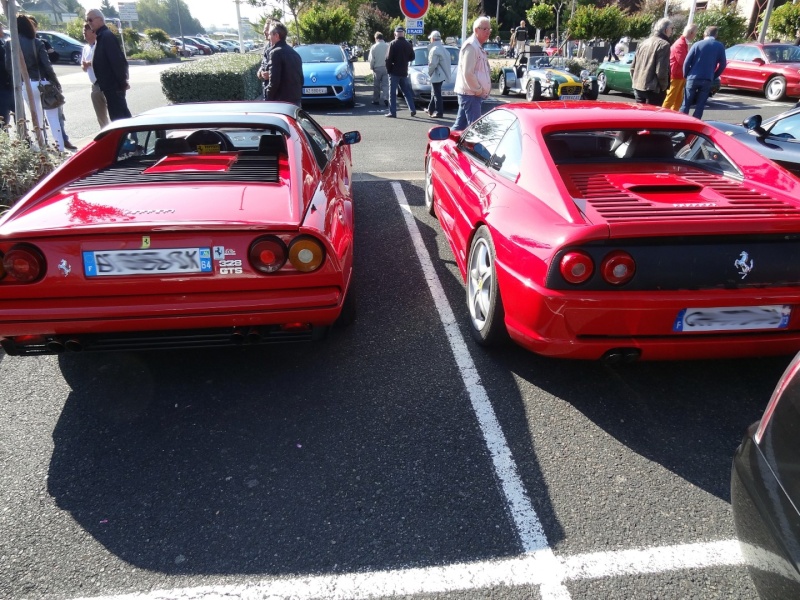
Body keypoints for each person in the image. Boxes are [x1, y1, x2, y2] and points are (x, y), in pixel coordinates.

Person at [4, 14, 64, 149]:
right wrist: (55, 81)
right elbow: (47, 65)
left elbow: (9, 66)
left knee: (35, 117)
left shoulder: (10, 43)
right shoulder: (37, 42)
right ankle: (60, 148)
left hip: (26, 84)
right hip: (43, 82)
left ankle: (42, 147)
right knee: (53, 117)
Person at [86, 9, 132, 121]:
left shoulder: (106, 36)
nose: (89, 23)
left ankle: (130, 138)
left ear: (100, 19)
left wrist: (122, 83)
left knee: (120, 119)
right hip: (109, 87)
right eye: (87, 20)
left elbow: (118, 62)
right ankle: (130, 137)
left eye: (90, 19)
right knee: (121, 118)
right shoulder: (101, 37)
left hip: (114, 87)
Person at [452, 16, 491, 130]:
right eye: (484, 29)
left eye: (489, 29)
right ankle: (474, 148)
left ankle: (444, 144)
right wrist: (478, 90)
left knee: (460, 126)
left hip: (471, 93)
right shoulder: (471, 46)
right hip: (471, 94)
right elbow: (468, 73)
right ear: (476, 30)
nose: (488, 32)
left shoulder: (477, 46)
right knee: (475, 130)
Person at [681, 25, 726, 120]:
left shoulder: (697, 44)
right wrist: (714, 75)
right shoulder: (719, 46)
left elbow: (687, 62)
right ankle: (694, 123)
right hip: (707, 78)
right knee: (700, 105)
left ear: (704, 34)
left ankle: (681, 122)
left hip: (692, 77)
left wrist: (686, 74)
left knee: (686, 103)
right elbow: (722, 64)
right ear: (716, 35)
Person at [630, 18, 673, 106]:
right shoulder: (664, 44)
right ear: (666, 29)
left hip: (639, 86)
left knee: (640, 117)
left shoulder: (643, 43)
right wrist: (664, 87)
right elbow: (661, 70)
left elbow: (632, 67)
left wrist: (635, 82)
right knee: (651, 117)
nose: (672, 31)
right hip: (653, 89)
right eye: (672, 28)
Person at [262, 22, 302, 105]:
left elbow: (274, 82)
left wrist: (268, 99)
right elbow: (301, 79)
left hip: (281, 102)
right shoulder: (295, 54)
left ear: (276, 35)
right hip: (296, 100)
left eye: (270, 34)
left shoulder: (275, 53)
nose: (269, 37)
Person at [662, 23, 698, 111]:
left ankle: (672, 119)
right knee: (670, 99)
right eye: (695, 33)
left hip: (680, 75)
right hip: (676, 75)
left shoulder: (683, 43)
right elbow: (682, 61)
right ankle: (661, 117)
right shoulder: (680, 44)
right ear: (691, 33)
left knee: (677, 100)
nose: (695, 35)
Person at [81, 22, 110, 128]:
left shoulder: (100, 45)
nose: (84, 32)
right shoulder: (85, 48)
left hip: (106, 83)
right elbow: (84, 65)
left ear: (93, 32)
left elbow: (104, 62)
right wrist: (84, 66)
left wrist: (90, 64)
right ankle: (106, 135)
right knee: (101, 116)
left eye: (86, 30)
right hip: (94, 85)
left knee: (114, 112)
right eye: (83, 30)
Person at [384, 26, 416, 118]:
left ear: (395, 34)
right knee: (406, 91)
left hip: (394, 72)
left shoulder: (393, 44)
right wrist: (405, 60)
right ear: (403, 34)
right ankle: (412, 109)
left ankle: (392, 112)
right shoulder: (407, 44)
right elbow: (412, 57)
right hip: (404, 71)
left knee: (392, 93)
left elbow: (388, 59)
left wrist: (389, 70)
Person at [426, 30, 451, 119]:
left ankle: (439, 112)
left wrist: (429, 73)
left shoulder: (434, 49)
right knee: (435, 92)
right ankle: (430, 109)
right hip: (442, 74)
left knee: (437, 94)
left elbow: (432, 64)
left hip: (437, 74)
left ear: (432, 39)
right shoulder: (443, 48)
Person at [368, 31, 389, 107]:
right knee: (385, 85)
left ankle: (376, 100)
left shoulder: (374, 47)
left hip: (377, 68)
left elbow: (371, 59)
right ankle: (386, 98)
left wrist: (372, 67)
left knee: (376, 85)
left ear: (376, 38)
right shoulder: (387, 46)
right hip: (386, 68)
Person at [0, 22, 13, 127]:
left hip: (7, 85)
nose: (2, 30)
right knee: (3, 117)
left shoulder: (2, 42)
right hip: (3, 85)